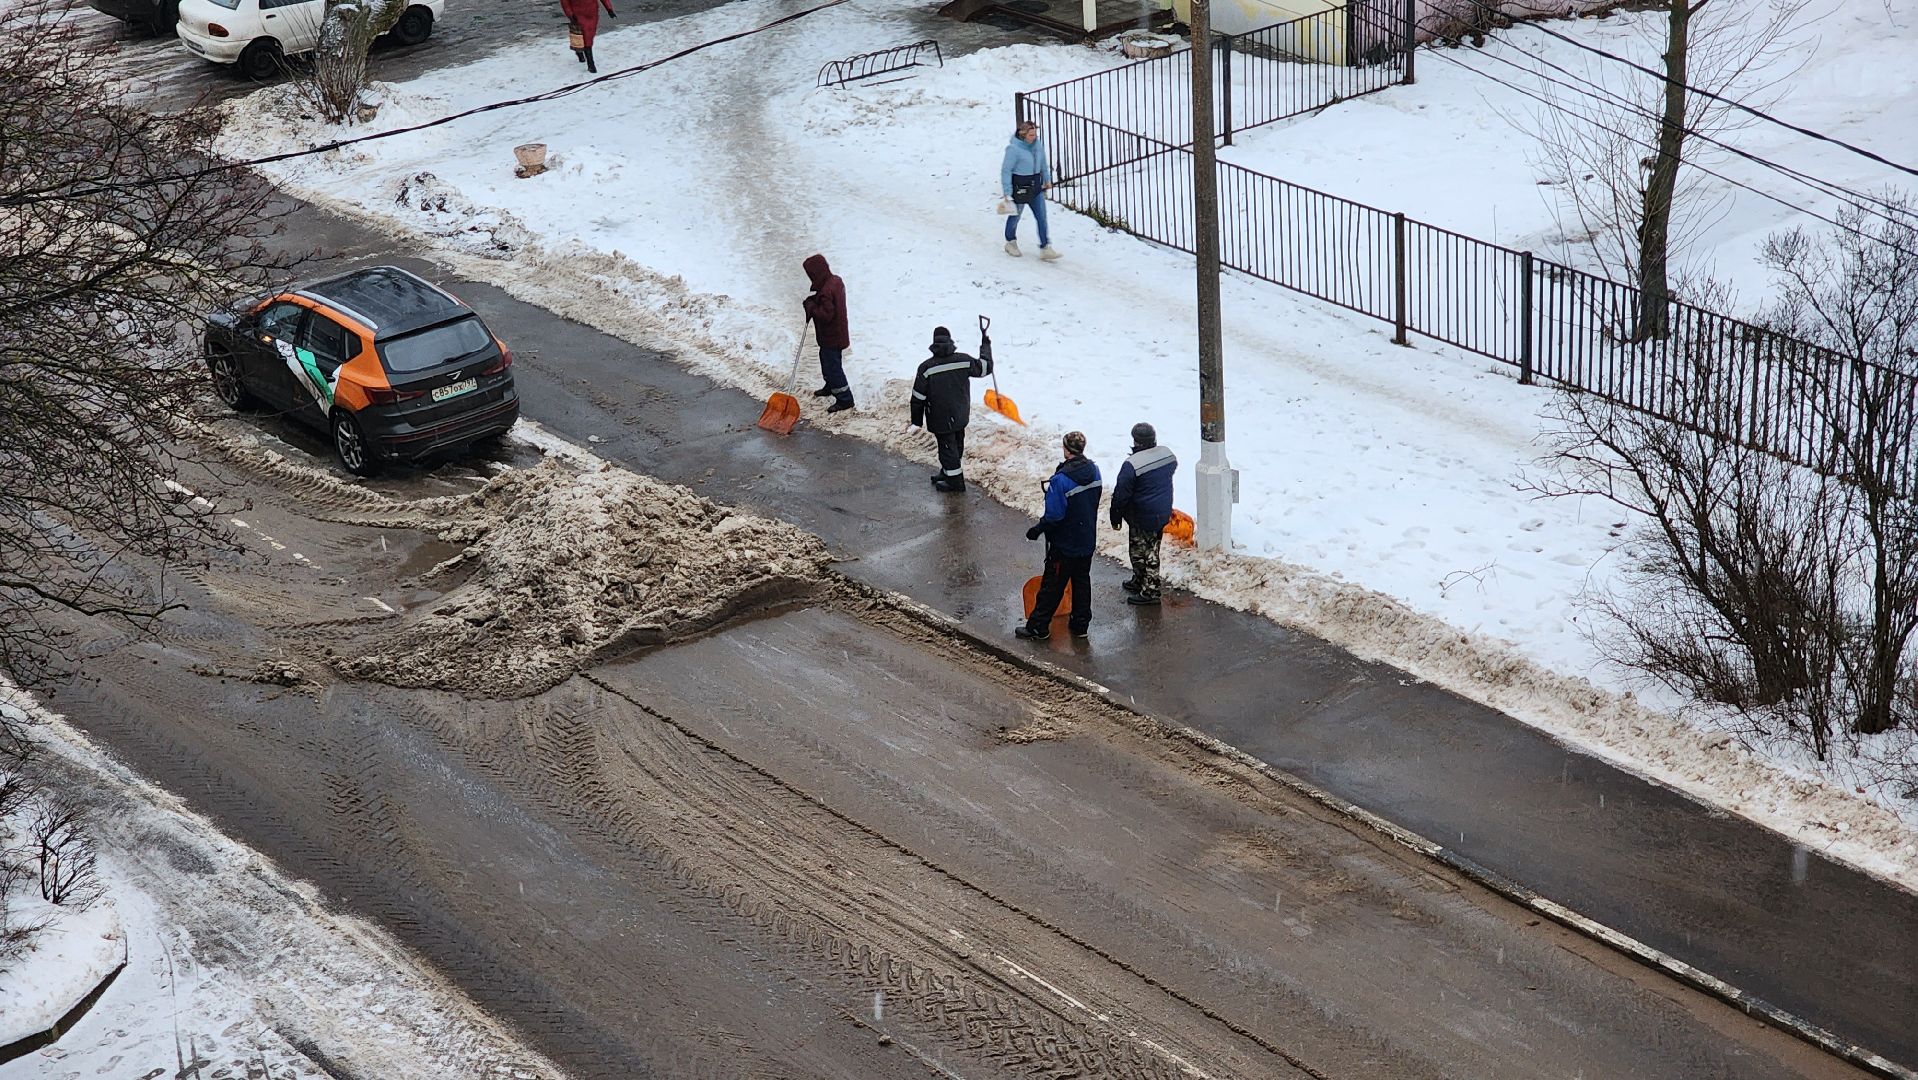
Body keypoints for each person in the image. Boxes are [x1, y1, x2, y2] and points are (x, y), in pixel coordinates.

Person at [1018, 431, 1101, 640]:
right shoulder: (1095, 471)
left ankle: (1038, 627)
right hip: (1086, 539)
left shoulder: (1061, 480)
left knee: (1052, 585)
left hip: (1065, 544)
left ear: (1066, 449)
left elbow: (1055, 515)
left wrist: (1038, 529)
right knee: (1081, 582)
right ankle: (1080, 625)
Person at [909, 325, 992, 492]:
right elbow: (985, 368)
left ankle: (955, 482)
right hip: (960, 414)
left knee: (947, 449)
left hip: (939, 417)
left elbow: (918, 398)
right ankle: (948, 472)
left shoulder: (926, 368)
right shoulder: (963, 361)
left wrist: (916, 421)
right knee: (956, 444)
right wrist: (985, 345)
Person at [1108, 422, 1177, 606]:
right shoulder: (1167, 455)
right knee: (1138, 549)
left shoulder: (1132, 465)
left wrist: (1115, 517)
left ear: (1136, 441)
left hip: (1142, 516)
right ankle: (1140, 580)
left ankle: (1151, 591)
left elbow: (1121, 495)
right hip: (1161, 511)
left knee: (1148, 552)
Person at [1000, 121, 1061, 262]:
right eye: (1031, 134)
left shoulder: (1037, 146)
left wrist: (1047, 179)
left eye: (1035, 134)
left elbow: (1043, 164)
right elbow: (1006, 170)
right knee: (1015, 216)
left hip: (1035, 186)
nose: (1034, 137)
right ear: (1023, 134)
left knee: (1042, 217)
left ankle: (1045, 247)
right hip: (1020, 187)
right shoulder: (1013, 149)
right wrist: (1007, 191)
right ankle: (1010, 242)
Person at [801, 254, 853, 413]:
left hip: (832, 336)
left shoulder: (826, 291)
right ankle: (830, 386)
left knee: (833, 367)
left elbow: (826, 315)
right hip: (836, 334)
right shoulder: (835, 281)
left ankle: (845, 399)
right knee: (826, 360)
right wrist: (815, 299)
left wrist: (811, 307)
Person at [559, 0, 614, 73]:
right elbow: (565, 2)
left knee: (589, 35)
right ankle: (590, 64)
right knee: (585, 36)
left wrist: (609, 9)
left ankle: (579, 51)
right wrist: (570, 14)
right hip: (578, 14)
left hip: (592, 13)